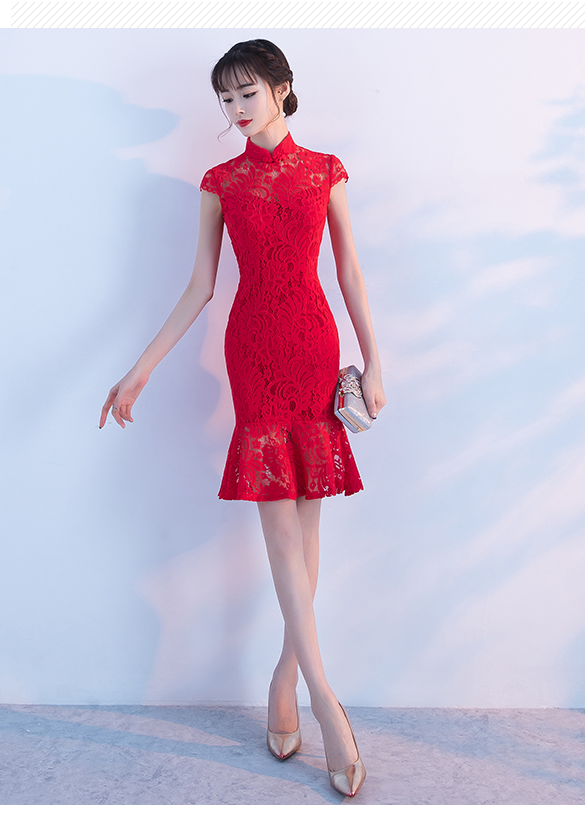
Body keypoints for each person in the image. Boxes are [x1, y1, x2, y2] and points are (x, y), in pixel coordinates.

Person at [100, 39, 386, 798]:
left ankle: (284, 680)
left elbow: (349, 269)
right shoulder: (220, 181)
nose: (235, 109)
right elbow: (200, 286)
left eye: (246, 93)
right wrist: (141, 367)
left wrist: (373, 360)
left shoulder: (325, 169)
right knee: (283, 531)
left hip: (315, 346)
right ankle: (325, 701)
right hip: (253, 352)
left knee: (309, 530)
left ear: (282, 89)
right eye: (225, 98)